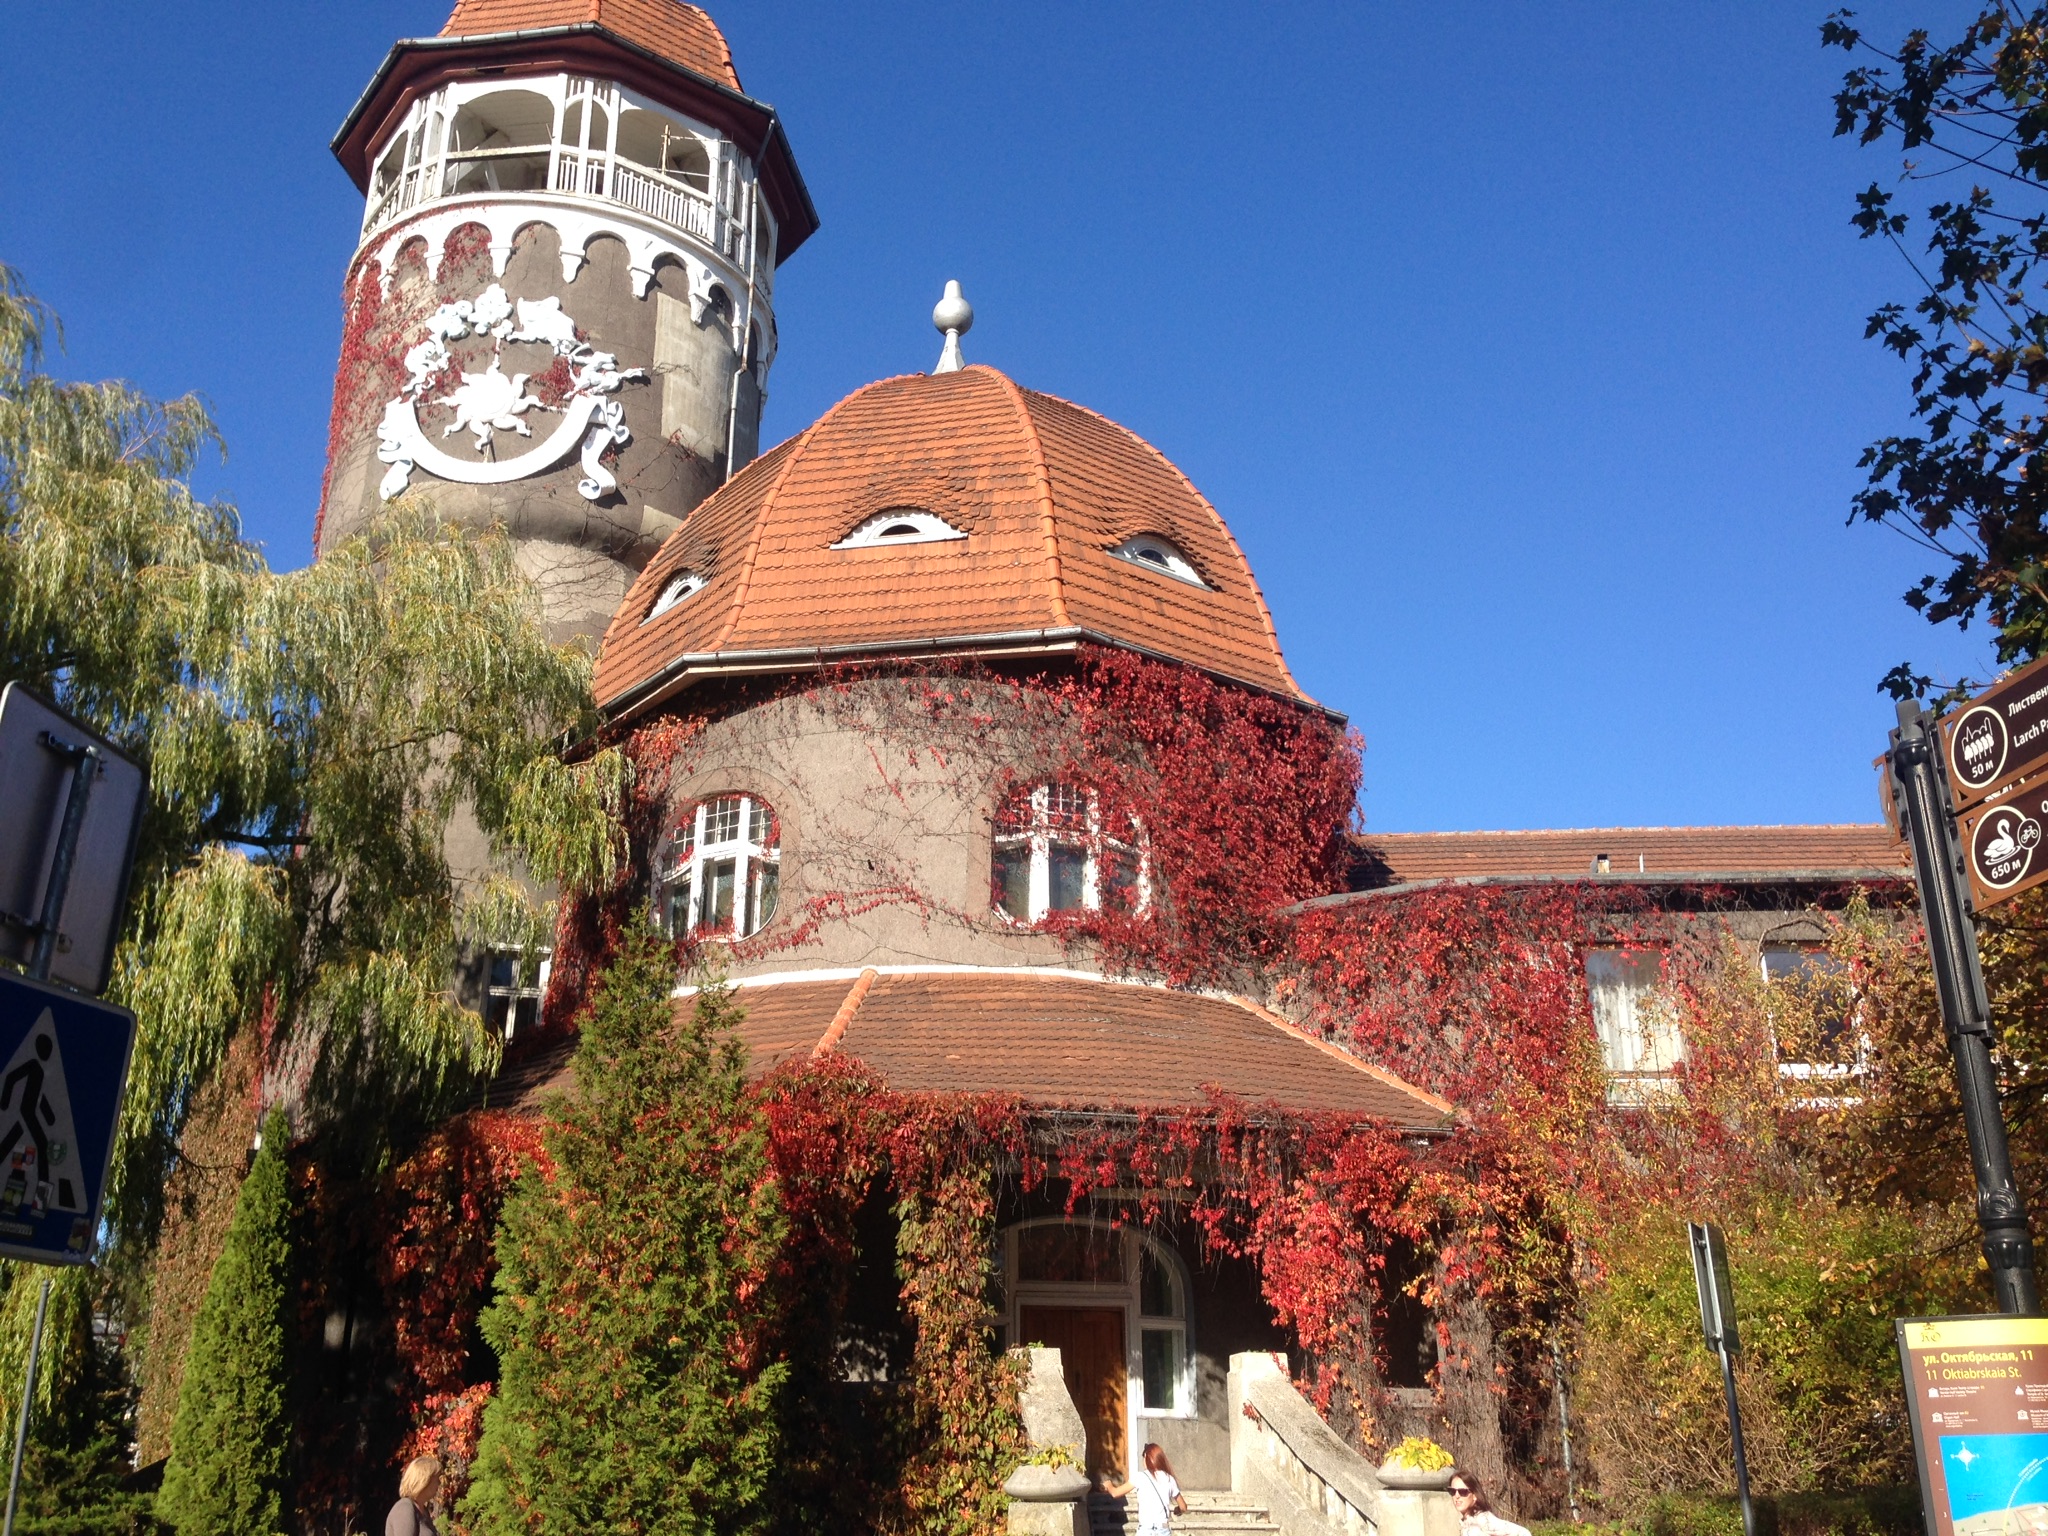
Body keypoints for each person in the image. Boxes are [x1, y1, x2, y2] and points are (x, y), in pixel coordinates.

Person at [1104, 1444, 1187, 1536]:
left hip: (1145, 1529)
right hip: (1163, 1528)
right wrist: (1177, 1510)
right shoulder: (1169, 1479)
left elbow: (1115, 1493)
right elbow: (1183, 1507)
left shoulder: (1139, 1477)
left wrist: (1109, 1485)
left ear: (1147, 1458)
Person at [1449, 1472, 1530, 1536]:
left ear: (1474, 1496)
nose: (1457, 1496)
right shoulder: (1469, 1521)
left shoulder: (1483, 1519)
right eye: (1452, 1491)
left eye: (1462, 1492)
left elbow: (1524, 1533)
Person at [387, 1455, 442, 1536]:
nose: (439, 1483)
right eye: (436, 1479)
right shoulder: (404, 1508)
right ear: (425, 1480)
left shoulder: (423, 1511)